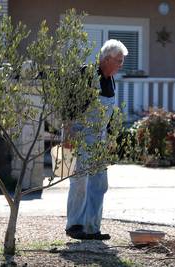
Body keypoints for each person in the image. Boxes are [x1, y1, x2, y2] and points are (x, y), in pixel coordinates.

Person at [65, 39, 128, 240]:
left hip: (99, 138)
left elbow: (108, 113)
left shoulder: (110, 79)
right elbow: (69, 106)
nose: (121, 65)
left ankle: (92, 227)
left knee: (99, 183)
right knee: (80, 181)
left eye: (122, 61)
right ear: (106, 59)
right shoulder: (86, 74)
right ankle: (75, 225)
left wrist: (110, 137)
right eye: (119, 60)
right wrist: (68, 135)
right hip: (80, 136)